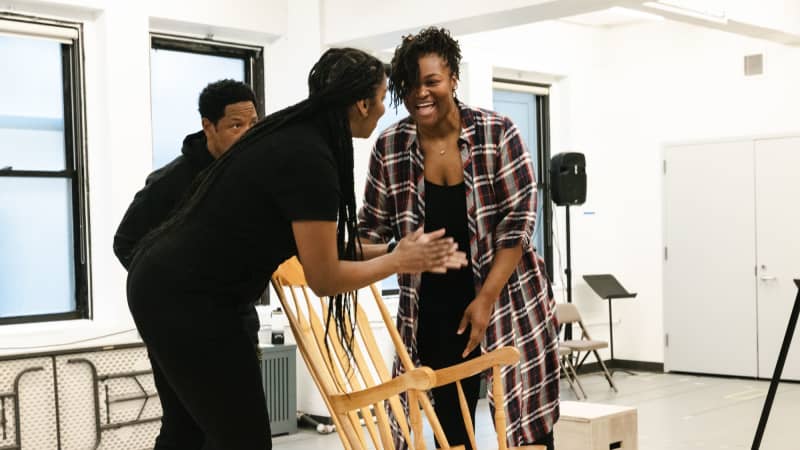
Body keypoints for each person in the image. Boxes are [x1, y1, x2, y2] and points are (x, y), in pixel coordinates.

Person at [126, 47, 466, 450]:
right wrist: (398, 261)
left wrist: (394, 248)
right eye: (380, 98)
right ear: (360, 103)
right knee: (242, 440)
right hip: (187, 299)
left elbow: (321, 249)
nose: (382, 109)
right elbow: (324, 278)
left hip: (166, 286)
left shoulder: (302, 138)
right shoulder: (310, 157)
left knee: (190, 432)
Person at [358, 27, 560, 450]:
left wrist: (485, 298)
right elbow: (370, 231)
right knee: (452, 433)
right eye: (410, 86)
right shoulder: (391, 147)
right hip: (433, 312)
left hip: (506, 299)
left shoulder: (497, 133)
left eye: (431, 81)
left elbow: (519, 222)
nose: (421, 94)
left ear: (452, 78)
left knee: (527, 426)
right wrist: (391, 252)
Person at [114, 79, 259, 450]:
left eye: (253, 124)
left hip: (234, 321)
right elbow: (126, 242)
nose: (246, 134)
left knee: (239, 429)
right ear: (208, 126)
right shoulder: (171, 181)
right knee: (185, 426)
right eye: (235, 125)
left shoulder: (250, 176)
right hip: (178, 330)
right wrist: (172, 294)